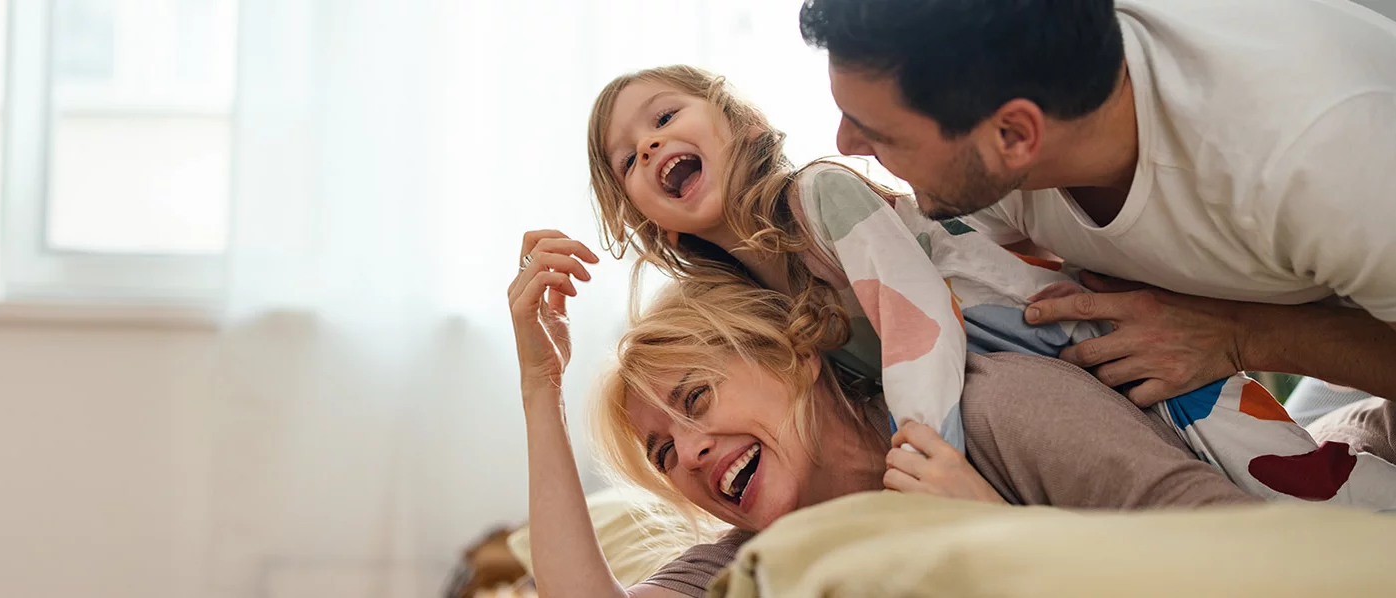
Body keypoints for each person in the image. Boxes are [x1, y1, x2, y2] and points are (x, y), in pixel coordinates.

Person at [586, 64, 1396, 506]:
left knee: (1273, 472)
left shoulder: (819, 197)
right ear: (651, 221)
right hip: (1023, 366)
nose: (651, 146)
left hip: (1068, 326)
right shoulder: (755, 297)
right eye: (627, 158)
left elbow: (917, 324)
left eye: (664, 118)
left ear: (745, 125)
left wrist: (922, 459)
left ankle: (1361, 528)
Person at [505, 255, 1258, 598]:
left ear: (794, 354)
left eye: (696, 399)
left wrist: (1001, 536)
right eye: (662, 453)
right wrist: (540, 389)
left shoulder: (994, 409)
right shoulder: (749, 562)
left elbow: (1247, 547)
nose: (691, 452)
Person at [796, 0, 1396, 417]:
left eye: (880, 133)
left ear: (1014, 136)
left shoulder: (1320, 156)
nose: (846, 145)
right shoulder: (1008, 124)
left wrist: (1241, 335)